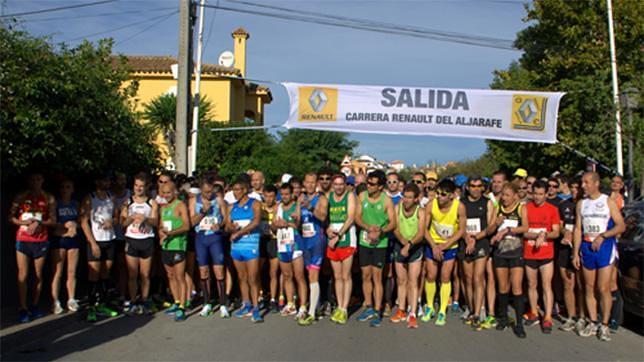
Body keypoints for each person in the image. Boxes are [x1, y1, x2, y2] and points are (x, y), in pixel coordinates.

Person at [573, 172, 625, 342]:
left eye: (586, 182)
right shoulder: (581, 204)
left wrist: (603, 236)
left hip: (604, 247)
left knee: (603, 288)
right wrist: (575, 252)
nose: (583, 186)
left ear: (596, 183)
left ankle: (605, 324)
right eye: (582, 182)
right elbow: (578, 229)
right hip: (587, 247)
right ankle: (593, 321)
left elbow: (621, 226)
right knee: (588, 287)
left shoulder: (607, 201)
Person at [10, 172, 57, 323]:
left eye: (38, 179)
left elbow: (53, 220)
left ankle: (34, 305)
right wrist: (25, 223)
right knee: (22, 274)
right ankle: (23, 308)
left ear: (42, 180)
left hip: (40, 240)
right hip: (23, 239)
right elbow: (11, 217)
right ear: (28, 181)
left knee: (37, 274)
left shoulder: (49, 198)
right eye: (32, 179)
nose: (35, 182)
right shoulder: (21, 197)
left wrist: (39, 223)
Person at [421, 179, 466, 326]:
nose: (440, 197)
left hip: (450, 245)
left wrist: (446, 245)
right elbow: (424, 229)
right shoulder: (430, 205)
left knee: (445, 277)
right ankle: (429, 307)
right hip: (432, 243)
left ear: (452, 195)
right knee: (431, 275)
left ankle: (442, 310)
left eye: (444, 194)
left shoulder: (459, 207)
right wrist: (434, 246)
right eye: (438, 193)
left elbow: (461, 230)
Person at [355, 170, 396, 327]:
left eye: (372, 184)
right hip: (365, 241)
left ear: (380, 186)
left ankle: (378, 309)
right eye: (368, 183)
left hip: (380, 243)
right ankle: (369, 307)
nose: (369, 186)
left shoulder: (386, 201)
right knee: (365, 275)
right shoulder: (362, 196)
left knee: (377, 277)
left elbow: (393, 223)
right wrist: (368, 228)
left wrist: (380, 231)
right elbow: (357, 217)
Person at [490, 182, 529, 338]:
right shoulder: (498, 208)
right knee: (503, 287)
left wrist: (508, 230)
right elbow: (491, 228)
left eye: (507, 195)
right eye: (503, 195)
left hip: (516, 251)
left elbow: (525, 227)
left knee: (517, 287)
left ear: (514, 195)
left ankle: (519, 323)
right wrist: (496, 225)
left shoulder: (521, 208)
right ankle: (504, 318)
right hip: (500, 252)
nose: (504, 198)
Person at [80, 173, 120, 322]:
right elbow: (83, 222)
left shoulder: (112, 197)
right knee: (93, 275)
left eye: (108, 179)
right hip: (95, 241)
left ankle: (102, 304)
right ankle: (91, 306)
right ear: (97, 181)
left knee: (105, 273)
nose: (107, 182)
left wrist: (112, 222)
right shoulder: (90, 198)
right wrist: (93, 243)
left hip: (109, 239)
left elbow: (117, 216)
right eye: (104, 179)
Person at [523, 180, 561, 334]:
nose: (537, 197)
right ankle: (533, 312)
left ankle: (547, 317)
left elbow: (556, 232)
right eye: (535, 194)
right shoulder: (525, 208)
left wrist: (544, 235)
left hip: (546, 253)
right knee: (532, 284)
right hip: (529, 252)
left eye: (540, 194)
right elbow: (524, 232)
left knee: (546, 285)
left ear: (546, 194)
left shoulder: (552, 209)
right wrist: (537, 234)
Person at [189, 174, 229, 318]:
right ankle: (207, 303)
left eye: (210, 191)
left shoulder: (219, 200)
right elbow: (191, 222)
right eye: (205, 192)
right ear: (200, 189)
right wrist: (202, 212)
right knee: (203, 271)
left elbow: (226, 219)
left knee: (219, 271)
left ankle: (223, 304)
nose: (208, 194)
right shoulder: (194, 201)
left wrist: (220, 224)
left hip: (215, 238)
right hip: (201, 238)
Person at [226, 176, 263, 323]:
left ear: (245, 189)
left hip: (251, 245)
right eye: (233, 190)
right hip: (236, 246)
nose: (235, 193)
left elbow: (256, 221)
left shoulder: (255, 203)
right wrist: (231, 228)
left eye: (238, 190)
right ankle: (246, 303)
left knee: (252, 278)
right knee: (241, 277)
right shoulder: (231, 206)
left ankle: (256, 308)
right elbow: (227, 225)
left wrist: (239, 232)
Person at [120, 173, 158, 315]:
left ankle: (144, 300)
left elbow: (155, 222)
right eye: (136, 185)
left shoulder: (151, 202)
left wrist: (145, 219)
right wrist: (130, 218)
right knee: (132, 274)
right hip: (132, 239)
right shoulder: (128, 202)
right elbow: (122, 223)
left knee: (145, 275)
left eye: (141, 186)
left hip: (147, 240)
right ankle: (133, 302)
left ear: (147, 187)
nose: (138, 188)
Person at [460, 176, 494, 330]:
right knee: (467, 278)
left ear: (483, 187)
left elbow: (491, 227)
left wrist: (475, 237)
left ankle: (479, 310)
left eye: (478, 186)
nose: (475, 189)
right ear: (467, 187)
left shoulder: (487, 202)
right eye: (472, 186)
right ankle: (470, 306)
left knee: (478, 276)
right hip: (465, 241)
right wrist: (467, 237)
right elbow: (458, 224)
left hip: (481, 242)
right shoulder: (461, 202)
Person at [391, 183, 426, 329]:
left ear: (416, 199)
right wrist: (403, 243)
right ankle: (401, 309)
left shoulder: (421, 211)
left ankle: (413, 313)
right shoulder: (397, 208)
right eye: (404, 196)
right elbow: (395, 227)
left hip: (415, 246)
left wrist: (410, 245)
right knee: (401, 280)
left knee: (413, 280)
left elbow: (421, 232)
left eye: (410, 197)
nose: (406, 200)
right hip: (401, 244)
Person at [297, 172, 329, 326]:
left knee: (313, 275)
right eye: (307, 182)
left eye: (312, 182)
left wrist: (310, 207)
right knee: (309, 274)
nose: (309, 185)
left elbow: (323, 217)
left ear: (316, 183)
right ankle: (315, 306)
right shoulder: (300, 198)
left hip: (317, 239)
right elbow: (297, 219)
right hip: (304, 240)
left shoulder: (321, 198)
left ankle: (311, 313)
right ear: (304, 183)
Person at [326, 174, 357, 325]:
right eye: (336, 184)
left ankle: (344, 308)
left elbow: (350, 218)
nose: (338, 187)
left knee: (346, 275)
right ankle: (339, 306)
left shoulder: (350, 196)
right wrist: (327, 230)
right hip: (332, 239)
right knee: (337, 276)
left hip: (346, 239)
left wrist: (338, 235)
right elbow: (325, 217)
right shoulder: (329, 196)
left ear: (345, 185)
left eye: (341, 184)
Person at [159, 182, 190, 322]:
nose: (166, 195)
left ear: (174, 192)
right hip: (166, 246)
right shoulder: (163, 207)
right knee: (170, 275)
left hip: (178, 245)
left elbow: (186, 225)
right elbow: (161, 225)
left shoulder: (180, 205)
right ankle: (176, 301)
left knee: (179, 276)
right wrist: (161, 235)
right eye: (163, 193)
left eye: (168, 193)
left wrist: (172, 233)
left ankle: (182, 307)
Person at [50, 178, 80, 315]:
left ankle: (71, 299)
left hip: (73, 240)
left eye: (68, 187)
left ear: (72, 189)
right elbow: (52, 222)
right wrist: (64, 225)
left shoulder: (75, 204)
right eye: (63, 187)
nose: (65, 189)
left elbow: (81, 221)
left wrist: (74, 225)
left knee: (72, 271)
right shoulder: (56, 203)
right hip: (59, 239)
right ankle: (55, 301)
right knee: (58, 272)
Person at [272, 183, 302, 317]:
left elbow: (300, 225)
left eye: (287, 194)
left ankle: (302, 305)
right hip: (282, 244)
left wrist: (288, 223)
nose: (284, 197)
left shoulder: (297, 206)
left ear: (292, 194)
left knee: (299, 276)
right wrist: (276, 225)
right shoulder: (278, 207)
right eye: (282, 194)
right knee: (287, 276)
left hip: (296, 244)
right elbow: (272, 226)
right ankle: (290, 304)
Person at [557, 176, 582, 332]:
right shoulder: (563, 205)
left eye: (577, 187)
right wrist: (565, 232)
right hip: (565, 249)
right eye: (572, 187)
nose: (574, 190)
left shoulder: (586, 205)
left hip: (581, 249)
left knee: (582, 286)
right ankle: (571, 317)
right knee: (568, 284)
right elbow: (559, 225)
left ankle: (583, 316)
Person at [260, 185, 280, 313]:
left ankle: (273, 298)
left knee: (273, 272)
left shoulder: (279, 207)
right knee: (258, 271)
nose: (269, 199)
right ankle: (261, 295)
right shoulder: (259, 207)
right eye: (266, 196)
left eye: (271, 196)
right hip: (261, 240)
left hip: (274, 240)